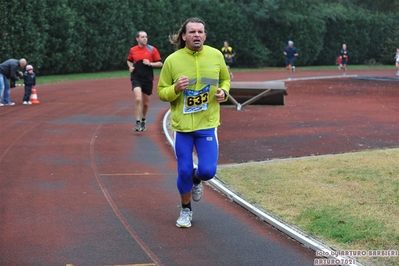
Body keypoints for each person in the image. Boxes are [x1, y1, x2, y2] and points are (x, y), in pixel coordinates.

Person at [157, 17, 230, 228]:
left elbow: (225, 80)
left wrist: (224, 92)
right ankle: (186, 210)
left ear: (205, 35)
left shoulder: (216, 55)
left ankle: (197, 180)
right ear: (184, 36)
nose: (196, 35)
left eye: (200, 31)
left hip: (207, 123)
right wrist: (175, 89)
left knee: (208, 171)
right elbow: (162, 93)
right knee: (183, 170)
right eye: (192, 32)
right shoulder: (172, 61)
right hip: (183, 127)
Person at [126, 31, 163, 131]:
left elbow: (160, 64)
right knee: (138, 98)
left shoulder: (152, 49)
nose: (145, 39)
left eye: (146, 37)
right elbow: (129, 60)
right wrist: (130, 67)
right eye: (142, 37)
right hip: (136, 77)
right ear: (137, 39)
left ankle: (143, 120)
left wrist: (150, 63)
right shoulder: (133, 50)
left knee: (146, 103)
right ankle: (137, 122)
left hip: (147, 78)